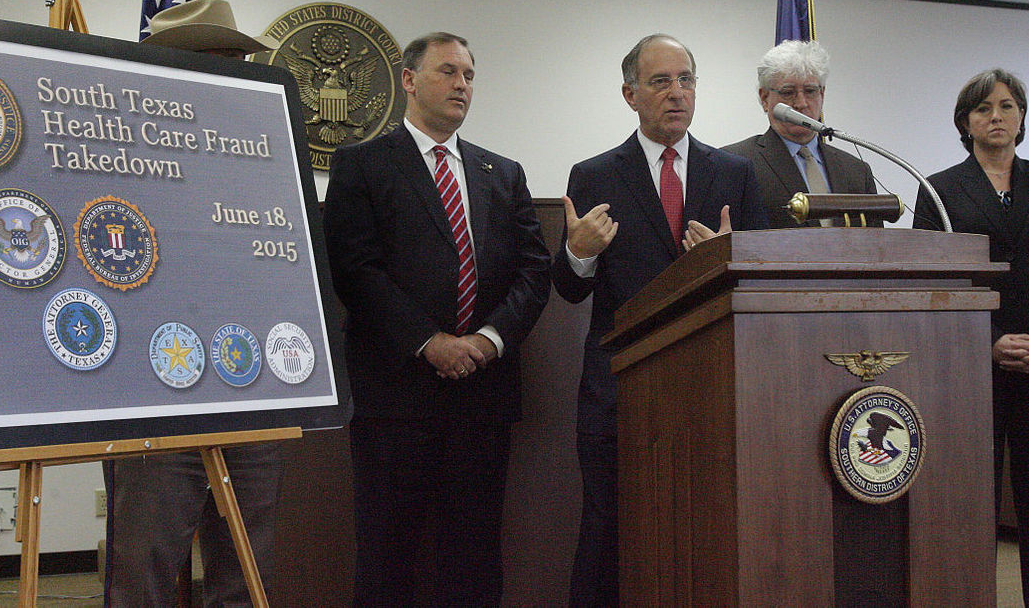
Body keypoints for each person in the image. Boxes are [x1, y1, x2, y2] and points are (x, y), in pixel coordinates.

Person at [323, 32, 551, 605]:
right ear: (408, 79)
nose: (462, 85)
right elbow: (357, 272)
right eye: (448, 71)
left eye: (470, 75)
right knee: (388, 554)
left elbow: (533, 270)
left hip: (483, 394)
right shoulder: (363, 166)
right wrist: (429, 342)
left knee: (473, 554)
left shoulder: (503, 172)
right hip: (396, 397)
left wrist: (490, 339)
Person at [552, 34, 768, 605]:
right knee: (608, 536)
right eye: (660, 81)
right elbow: (572, 290)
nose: (677, 93)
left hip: (711, 388)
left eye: (687, 80)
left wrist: (729, 258)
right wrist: (579, 251)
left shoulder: (737, 174)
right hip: (619, 388)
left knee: (705, 535)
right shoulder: (595, 174)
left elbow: (762, 288)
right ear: (630, 94)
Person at [103, 0, 284, 607]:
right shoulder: (117, 150)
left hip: (251, 389)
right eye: (226, 56)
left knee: (245, 575)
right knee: (142, 574)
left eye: (237, 57)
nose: (237, 69)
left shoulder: (265, 155)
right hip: (155, 397)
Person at [913, 68, 1029, 607]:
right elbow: (931, 280)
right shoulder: (939, 189)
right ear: (965, 122)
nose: (998, 116)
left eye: (1009, 106)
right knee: (971, 503)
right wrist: (989, 341)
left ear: (1022, 118)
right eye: (985, 108)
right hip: (972, 364)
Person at [723, 39, 878, 228]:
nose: (801, 103)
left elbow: (876, 247)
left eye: (810, 91)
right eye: (788, 92)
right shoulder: (733, 164)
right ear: (765, 98)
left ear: (822, 94)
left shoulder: (856, 171)